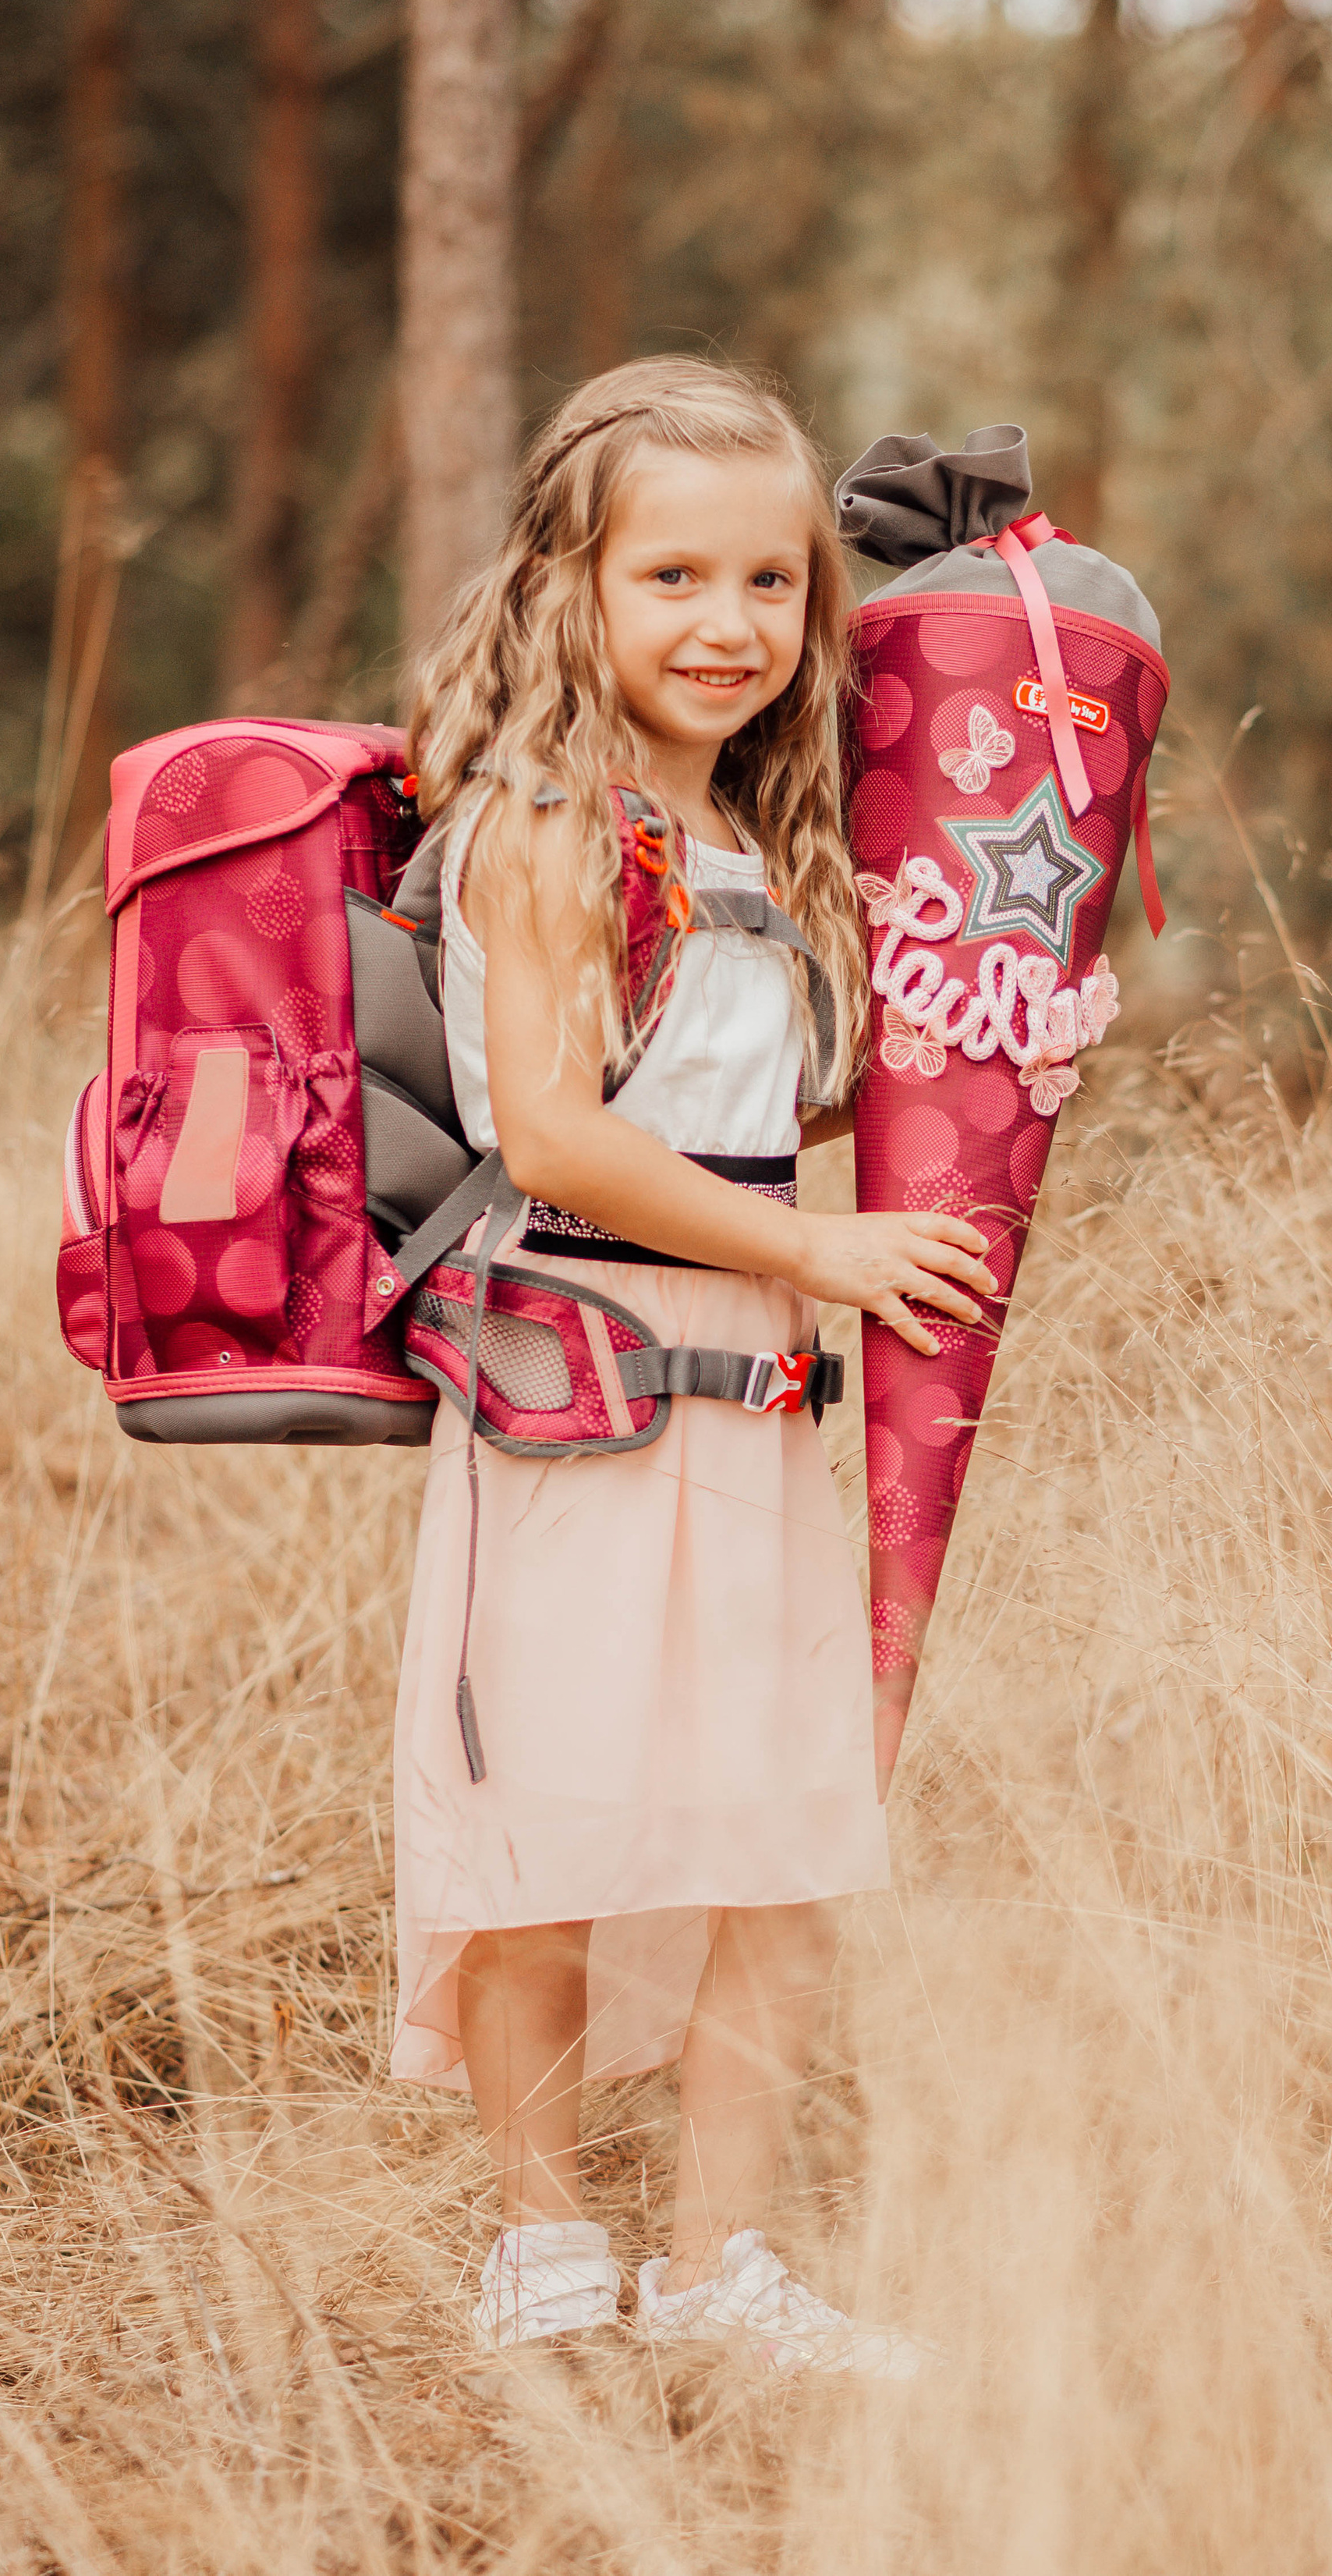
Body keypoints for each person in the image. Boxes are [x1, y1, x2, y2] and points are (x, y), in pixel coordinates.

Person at [391, 357, 993, 2372]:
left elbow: (725, 1114)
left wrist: (985, 1086)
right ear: (569, 585)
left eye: (769, 581)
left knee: (778, 1825)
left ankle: (720, 2260)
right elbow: (560, 1135)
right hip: (572, 1388)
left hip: (760, 1410)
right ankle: (545, 2226)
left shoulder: (746, 830)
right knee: (550, 1823)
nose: (728, 625)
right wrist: (820, 1242)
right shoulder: (541, 824)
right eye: (671, 576)